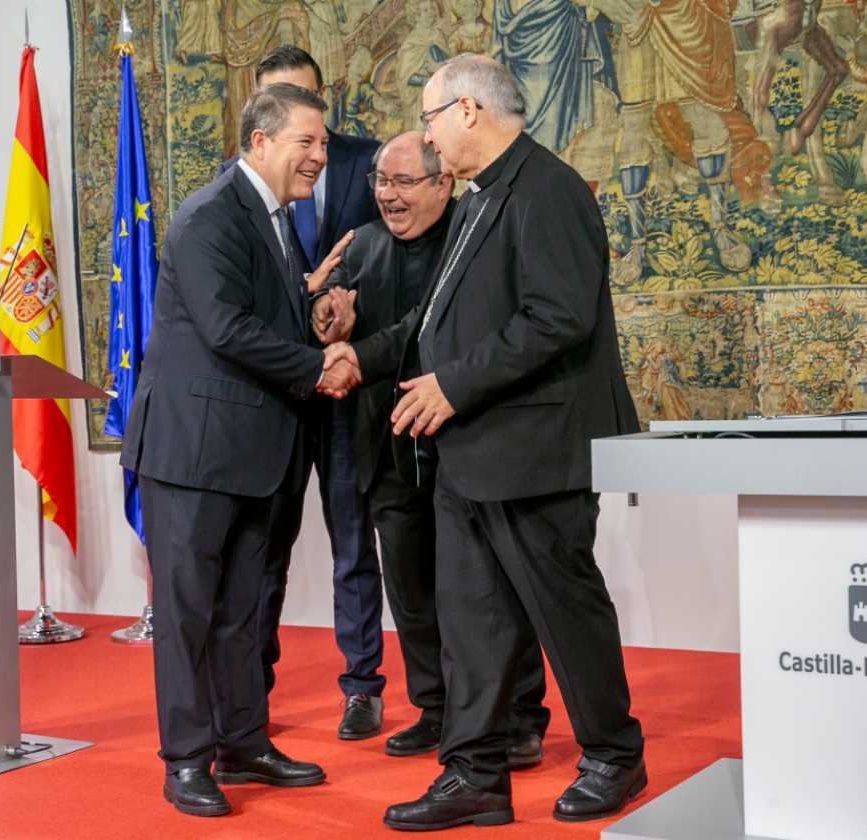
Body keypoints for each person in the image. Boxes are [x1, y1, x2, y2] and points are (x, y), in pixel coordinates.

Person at [325, 54, 645, 830]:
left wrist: (452, 387)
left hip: (537, 450)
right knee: (471, 622)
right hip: (472, 455)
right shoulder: (476, 202)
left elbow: (556, 319)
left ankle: (614, 754)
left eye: (430, 118)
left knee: (565, 612)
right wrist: (360, 358)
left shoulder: (549, 190)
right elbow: (433, 321)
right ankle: (474, 775)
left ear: (468, 110)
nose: (426, 137)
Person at [120, 83, 359, 818]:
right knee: (190, 613)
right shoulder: (209, 217)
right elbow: (225, 328)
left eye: (324, 143)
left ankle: (244, 742)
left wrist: (311, 307)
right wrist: (321, 364)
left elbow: (261, 316)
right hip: (193, 455)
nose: (321, 156)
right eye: (307, 142)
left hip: (254, 453)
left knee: (244, 613)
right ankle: (186, 760)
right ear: (260, 141)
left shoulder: (274, 218)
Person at [311, 130, 550, 767]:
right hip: (387, 449)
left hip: (466, 446)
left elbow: (413, 328)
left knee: (492, 594)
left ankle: (520, 716)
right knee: (414, 595)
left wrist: (358, 355)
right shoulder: (361, 245)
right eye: (379, 183)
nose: (386, 196)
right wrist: (325, 316)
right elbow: (330, 314)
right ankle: (436, 710)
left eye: (402, 183)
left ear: (443, 183)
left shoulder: (470, 239)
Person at [220, 45, 387, 740]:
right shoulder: (237, 187)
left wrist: (351, 294)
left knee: (354, 541)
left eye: (304, 100)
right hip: (278, 392)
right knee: (265, 549)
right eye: (276, 102)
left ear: (325, 100)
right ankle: (250, 688)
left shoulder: (368, 161)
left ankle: (362, 688)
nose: (297, 125)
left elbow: (399, 244)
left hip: (349, 382)